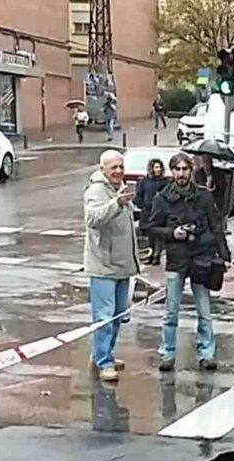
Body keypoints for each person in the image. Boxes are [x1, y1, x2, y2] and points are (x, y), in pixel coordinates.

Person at [148, 152, 229, 372]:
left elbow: (216, 225)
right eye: (177, 169)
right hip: (176, 259)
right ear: (171, 172)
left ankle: (206, 353)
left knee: (204, 310)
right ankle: (168, 353)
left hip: (202, 257)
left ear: (191, 171)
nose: (181, 174)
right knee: (171, 311)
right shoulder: (162, 198)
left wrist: (224, 254)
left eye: (185, 169)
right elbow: (151, 227)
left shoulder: (203, 196)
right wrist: (174, 233)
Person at [84, 150, 139, 382]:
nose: (118, 171)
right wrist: (117, 203)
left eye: (120, 167)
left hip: (122, 264)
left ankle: (102, 354)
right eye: (113, 167)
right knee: (105, 316)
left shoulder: (120, 187)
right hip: (103, 265)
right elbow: (93, 219)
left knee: (117, 315)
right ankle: (104, 362)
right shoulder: (96, 190)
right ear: (102, 169)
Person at [134, 158, 168, 265]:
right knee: (150, 235)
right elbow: (139, 196)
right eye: (156, 167)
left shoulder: (165, 182)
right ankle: (151, 253)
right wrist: (142, 205)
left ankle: (156, 255)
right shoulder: (144, 181)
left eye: (160, 167)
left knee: (158, 234)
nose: (158, 170)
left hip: (160, 212)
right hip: (148, 211)